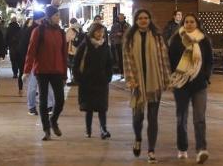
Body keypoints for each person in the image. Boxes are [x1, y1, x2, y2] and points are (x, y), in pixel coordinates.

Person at [123, 9, 172, 163]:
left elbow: (163, 59)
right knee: (138, 117)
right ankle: (138, 138)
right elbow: (127, 61)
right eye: (140, 18)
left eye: (146, 18)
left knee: (152, 118)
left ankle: (151, 150)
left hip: (154, 82)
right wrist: (131, 80)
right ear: (136, 21)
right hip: (137, 83)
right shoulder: (129, 38)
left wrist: (166, 79)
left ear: (150, 19)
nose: (143, 20)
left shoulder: (157, 37)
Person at [168, 13, 213, 164]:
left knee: (199, 118)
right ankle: (182, 147)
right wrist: (175, 77)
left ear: (197, 23)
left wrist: (206, 76)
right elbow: (170, 60)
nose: (188, 24)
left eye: (192, 22)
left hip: (199, 84)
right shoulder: (176, 40)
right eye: (186, 22)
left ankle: (201, 150)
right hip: (181, 85)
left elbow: (209, 61)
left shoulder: (203, 40)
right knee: (182, 118)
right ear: (183, 24)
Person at [23, 6, 68, 141]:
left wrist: (65, 74)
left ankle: (53, 120)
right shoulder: (38, 31)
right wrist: (26, 70)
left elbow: (64, 54)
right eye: (56, 15)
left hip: (57, 70)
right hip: (42, 70)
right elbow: (31, 52)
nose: (58, 18)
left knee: (60, 100)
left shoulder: (61, 32)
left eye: (59, 15)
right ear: (49, 17)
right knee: (43, 101)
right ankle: (46, 129)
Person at [73, 22, 113, 140]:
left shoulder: (106, 46)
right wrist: (78, 78)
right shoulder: (84, 46)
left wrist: (108, 77)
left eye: (102, 32)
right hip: (87, 81)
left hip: (101, 81)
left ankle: (103, 129)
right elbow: (76, 62)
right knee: (88, 107)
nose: (100, 34)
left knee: (102, 107)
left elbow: (109, 63)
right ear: (92, 32)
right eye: (97, 31)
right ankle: (88, 130)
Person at [21, 14, 54, 113]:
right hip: (35, 63)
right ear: (39, 20)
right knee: (33, 85)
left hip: (43, 62)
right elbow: (28, 50)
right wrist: (27, 66)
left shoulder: (47, 30)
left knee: (43, 85)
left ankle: (47, 105)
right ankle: (32, 106)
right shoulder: (33, 30)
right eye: (43, 19)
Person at [66, 18, 85, 86]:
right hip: (79, 50)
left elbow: (67, 39)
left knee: (72, 65)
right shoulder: (81, 28)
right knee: (79, 65)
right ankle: (79, 79)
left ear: (71, 22)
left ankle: (74, 79)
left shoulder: (70, 29)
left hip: (72, 51)